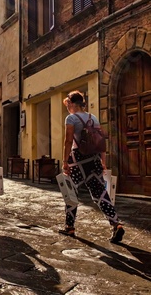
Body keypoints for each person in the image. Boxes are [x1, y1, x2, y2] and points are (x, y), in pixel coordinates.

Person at [60, 90, 124, 242]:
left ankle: (69, 227)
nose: (67, 107)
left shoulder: (71, 118)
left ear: (72, 104)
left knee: (71, 193)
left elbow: (68, 141)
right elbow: (101, 141)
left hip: (77, 161)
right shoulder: (93, 117)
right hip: (94, 160)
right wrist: (103, 161)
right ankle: (116, 224)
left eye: (68, 104)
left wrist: (65, 161)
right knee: (100, 193)